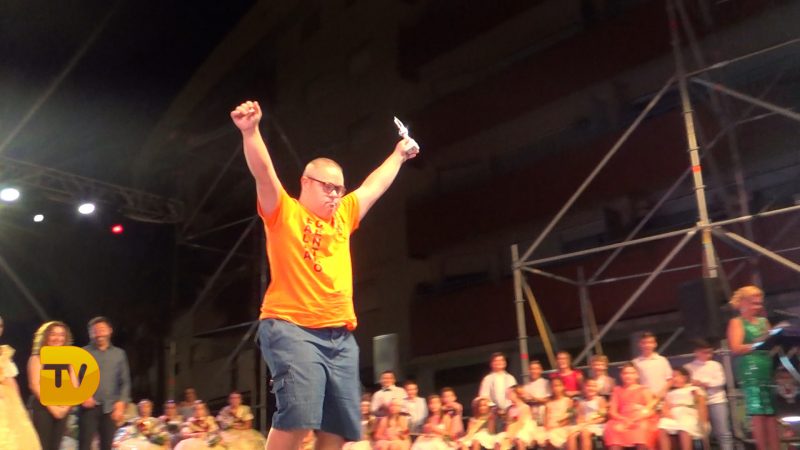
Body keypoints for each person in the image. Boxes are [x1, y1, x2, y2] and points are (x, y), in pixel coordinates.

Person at [231, 99, 419, 450]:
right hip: (292, 327)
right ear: (305, 182)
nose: (335, 195)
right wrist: (251, 131)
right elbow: (264, 173)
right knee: (299, 416)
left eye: (339, 189)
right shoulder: (283, 212)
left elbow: (373, 186)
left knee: (338, 429)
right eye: (327, 187)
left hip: (339, 336)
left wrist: (398, 155)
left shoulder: (344, 215)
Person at [726, 285, 780, 450]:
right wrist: (759, 343)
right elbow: (735, 348)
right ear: (743, 303)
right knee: (758, 413)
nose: (758, 307)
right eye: (754, 303)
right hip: (750, 370)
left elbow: (772, 343)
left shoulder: (764, 322)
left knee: (771, 413)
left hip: (766, 368)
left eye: (759, 303)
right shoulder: (737, 322)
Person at [78, 316, 131, 450]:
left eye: (102, 329)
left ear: (110, 330)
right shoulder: (82, 353)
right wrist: (82, 395)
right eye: (94, 330)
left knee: (107, 446)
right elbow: (74, 379)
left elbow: (125, 381)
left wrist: (121, 403)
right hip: (88, 408)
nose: (99, 333)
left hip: (110, 408)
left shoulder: (119, 354)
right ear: (90, 334)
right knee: (84, 445)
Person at [28, 321, 74, 450]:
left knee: (56, 446)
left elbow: (74, 386)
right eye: (53, 334)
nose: (57, 338)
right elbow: (34, 385)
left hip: (63, 408)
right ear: (46, 336)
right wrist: (53, 408)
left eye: (61, 335)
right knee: (41, 446)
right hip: (43, 409)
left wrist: (65, 408)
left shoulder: (70, 359)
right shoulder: (37, 358)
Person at [0, 315, 43, 450]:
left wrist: (19, 409)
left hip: (6, 403)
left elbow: (10, 379)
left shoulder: (3, 353)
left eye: (0, 326)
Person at [683, 339, 733, 450]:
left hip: (717, 401)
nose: (709, 355)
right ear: (696, 352)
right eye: (705, 352)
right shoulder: (688, 367)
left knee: (723, 432)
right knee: (701, 432)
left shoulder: (716, 365)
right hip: (697, 404)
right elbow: (684, 385)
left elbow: (721, 381)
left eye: (710, 352)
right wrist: (693, 384)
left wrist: (704, 383)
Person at [603, 363, 658, 450]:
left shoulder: (644, 389)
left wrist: (636, 419)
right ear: (621, 375)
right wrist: (624, 419)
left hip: (640, 419)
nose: (628, 376)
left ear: (637, 375)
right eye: (625, 373)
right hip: (621, 419)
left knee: (642, 428)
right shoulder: (617, 390)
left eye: (632, 373)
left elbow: (650, 410)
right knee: (612, 428)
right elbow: (612, 412)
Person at [657, 368, 707, 450]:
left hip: (688, 415)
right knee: (662, 426)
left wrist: (703, 421)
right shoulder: (670, 392)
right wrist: (667, 386)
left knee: (684, 428)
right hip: (673, 416)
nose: (673, 379)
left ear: (684, 377)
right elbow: (660, 399)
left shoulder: (693, 389)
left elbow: (701, 404)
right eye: (672, 376)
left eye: (675, 376)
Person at [567, 379, 607, 450]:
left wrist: (589, 423)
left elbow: (602, 417)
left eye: (593, 386)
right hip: (584, 425)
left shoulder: (600, 400)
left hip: (596, 425)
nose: (591, 388)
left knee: (584, 433)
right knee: (571, 436)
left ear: (597, 388)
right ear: (584, 388)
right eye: (588, 386)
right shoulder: (581, 402)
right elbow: (579, 417)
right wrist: (581, 424)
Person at [632, 332, 672, 400]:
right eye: (644, 343)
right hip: (645, 399)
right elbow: (634, 383)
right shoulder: (635, 362)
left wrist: (661, 392)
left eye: (650, 342)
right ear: (640, 344)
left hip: (663, 398)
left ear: (655, 344)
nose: (647, 345)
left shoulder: (662, 360)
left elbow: (670, 379)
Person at [500, 385, 539, 450]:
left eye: (511, 393)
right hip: (513, 429)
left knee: (519, 439)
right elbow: (509, 423)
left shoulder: (525, 407)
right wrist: (508, 434)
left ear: (517, 394)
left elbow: (521, 423)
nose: (508, 395)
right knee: (500, 440)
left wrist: (511, 435)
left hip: (524, 429)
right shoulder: (510, 409)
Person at [537, 379, 572, 449]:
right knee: (544, 438)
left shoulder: (568, 401)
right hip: (549, 428)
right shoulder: (549, 403)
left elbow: (569, 417)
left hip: (562, 427)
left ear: (563, 387)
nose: (556, 388)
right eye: (553, 386)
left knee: (551, 439)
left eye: (558, 386)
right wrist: (547, 427)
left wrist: (556, 426)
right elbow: (546, 419)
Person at [522, 360, 550, 425]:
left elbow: (549, 399)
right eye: (532, 369)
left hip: (544, 416)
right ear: (529, 370)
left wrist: (534, 399)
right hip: (531, 417)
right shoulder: (526, 386)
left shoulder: (546, 383)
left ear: (541, 370)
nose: (534, 371)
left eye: (536, 369)